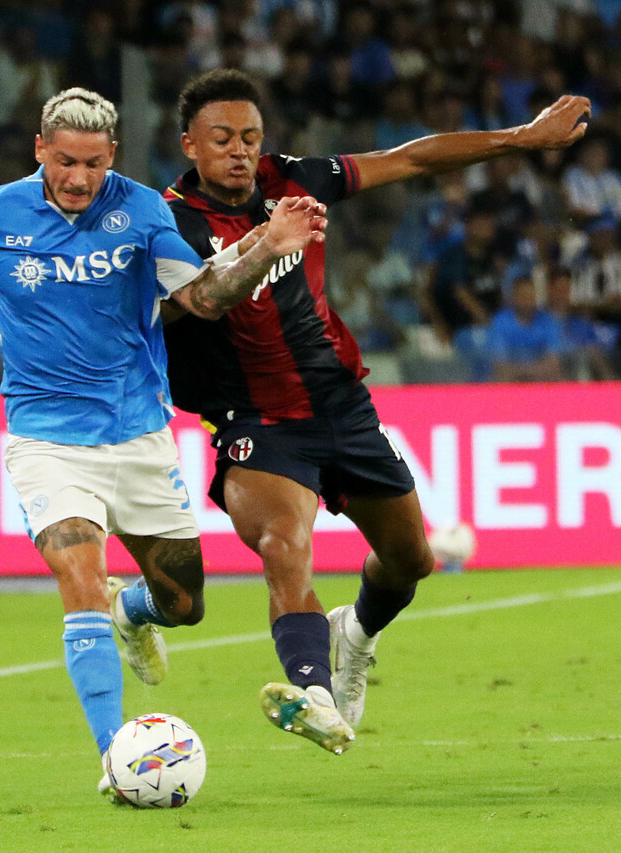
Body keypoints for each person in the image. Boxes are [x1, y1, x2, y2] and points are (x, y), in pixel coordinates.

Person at [0, 88, 326, 800]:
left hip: (139, 436)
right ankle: (116, 757)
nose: (78, 178)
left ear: (111, 155)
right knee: (79, 575)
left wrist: (265, 245)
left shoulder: (143, 211)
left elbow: (203, 298)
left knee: (184, 603)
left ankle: (132, 612)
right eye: (65, 162)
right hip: (45, 441)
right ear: (40, 150)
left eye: (92, 163)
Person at [160, 69, 589, 753]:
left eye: (249, 136)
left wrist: (521, 137)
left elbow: (411, 158)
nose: (239, 150)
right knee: (282, 545)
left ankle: (355, 635)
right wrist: (261, 246)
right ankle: (316, 696)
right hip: (254, 418)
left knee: (410, 561)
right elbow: (182, 307)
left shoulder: (294, 180)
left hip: (340, 405)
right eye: (222, 138)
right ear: (190, 144)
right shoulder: (168, 222)